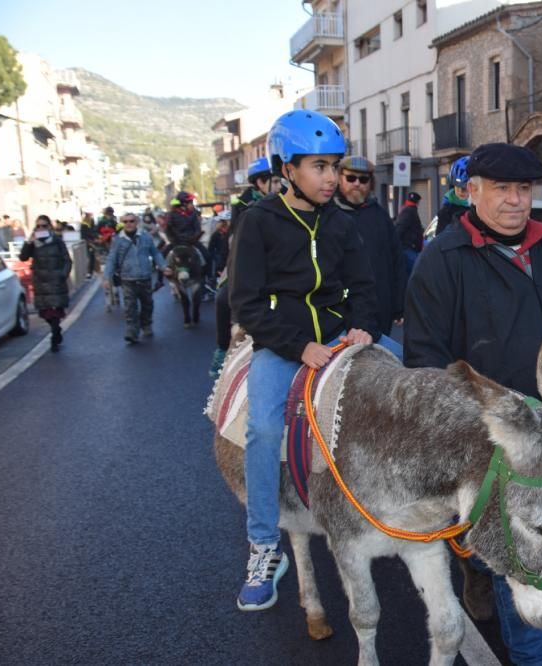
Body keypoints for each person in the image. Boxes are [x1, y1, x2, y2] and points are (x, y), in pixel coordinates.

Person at [404, 142, 542, 666]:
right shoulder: (443, 259)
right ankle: (532, 653)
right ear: (471, 191)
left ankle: (477, 569)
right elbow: (426, 360)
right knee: (516, 545)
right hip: (490, 435)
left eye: (524, 189)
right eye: (502, 189)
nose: (515, 201)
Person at [229, 109, 396, 612]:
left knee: (409, 380)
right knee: (261, 429)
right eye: (319, 167)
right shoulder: (258, 223)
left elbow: (365, 286)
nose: (332, 178)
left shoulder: (341, 224)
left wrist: (364, 325)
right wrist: (299, 348)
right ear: (288, 169)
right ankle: (263, 546)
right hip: (284, 345)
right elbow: (247, 304)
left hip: (341, 336)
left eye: (334, 166)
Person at [210, 158, 282, 377]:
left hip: (278, 260)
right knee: (223, 298)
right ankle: (222, 349)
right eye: (275, 181)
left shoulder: (287, 201)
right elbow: (236, 237)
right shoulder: (243, 206)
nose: (280, 185)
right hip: (248, 256)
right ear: (260, 182)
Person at [334, 155, 406, 336]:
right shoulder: (329, 215)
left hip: (380, 308)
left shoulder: (380, 216)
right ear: (339, 178)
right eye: (351, 178)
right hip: (340, 314)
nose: (357, 183)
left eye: (363, 179)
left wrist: (400, 305)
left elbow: (396, 260)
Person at [103, 214, 166, 344]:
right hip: (127, 278)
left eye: (131, 221)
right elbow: (111, 259)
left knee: (147, 303)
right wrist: (106, 278)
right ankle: (132, 331)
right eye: (125, 221)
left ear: (136, 222)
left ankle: (146, 324)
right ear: (122, 223)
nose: (128, 224)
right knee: (130, 306)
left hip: (145, 276)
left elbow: (155, 253)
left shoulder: (145, 237)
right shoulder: (117, 240)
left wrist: (163, 266)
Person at [19, 215, 72, 352]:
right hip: (41, 283)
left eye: (44, 226)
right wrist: (29, 242)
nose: (41, 228)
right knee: (45, 312)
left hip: (56, 282)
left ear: (49, 227)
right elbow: (23, 257)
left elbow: (67, 260)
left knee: (55, 312)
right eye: (39, 226)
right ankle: (57, 329)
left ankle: (54, 337)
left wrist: (62, 274)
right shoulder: (34, 243)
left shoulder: (57, 241)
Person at [435, 155, 471, 236]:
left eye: (465, 188)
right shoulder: (446, 214)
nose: (461, 191)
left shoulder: (486, 211)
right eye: (457, 186)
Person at [394, 191, 423, 275]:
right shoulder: (409, 211)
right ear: (417, 202)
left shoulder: (407, 209)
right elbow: (399, 228)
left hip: (409, 248)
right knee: (415, 275)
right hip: (409, 248)